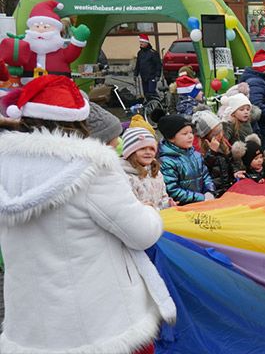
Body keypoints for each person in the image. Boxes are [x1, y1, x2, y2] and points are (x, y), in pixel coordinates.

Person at [0, 75, 175, 353]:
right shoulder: (93, 169)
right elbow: (141, 233)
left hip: (31, 324)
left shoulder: (6, 168)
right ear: (80, 122)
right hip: (100, 322)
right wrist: (149, 211)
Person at [156, 113, 216, 204]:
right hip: (183, 208)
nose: (190, 136)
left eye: (191, 132)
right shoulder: (166, 161)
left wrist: (209, 191)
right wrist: (201, 198)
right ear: (171, 138)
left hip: (203, 202)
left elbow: (206, 176)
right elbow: (172, 189)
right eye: (184, 134)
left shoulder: (196, 155)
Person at [121, 127, 173, 209]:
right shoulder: (126, 177)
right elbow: (128, 207)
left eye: (152, 149)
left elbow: (162, 198)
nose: (148, 152)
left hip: (157, 217)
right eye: (142, 149)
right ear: (130, 152)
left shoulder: (155, 172)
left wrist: (168, 204)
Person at [193, 109, 240, 196]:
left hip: (228, 187)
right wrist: (212, 152)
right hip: (215, 191)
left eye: (220, 131)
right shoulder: (198, 149)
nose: (220, 135)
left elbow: (231, 161)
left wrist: (235, 172)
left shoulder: (223, 142)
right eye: (215, 133)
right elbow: (203, 169)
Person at [240, 49, 265, 150]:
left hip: (262, 125)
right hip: (259, 127)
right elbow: (257, 105)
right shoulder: (256, 82)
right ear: (263, 68)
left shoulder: (260, 80)